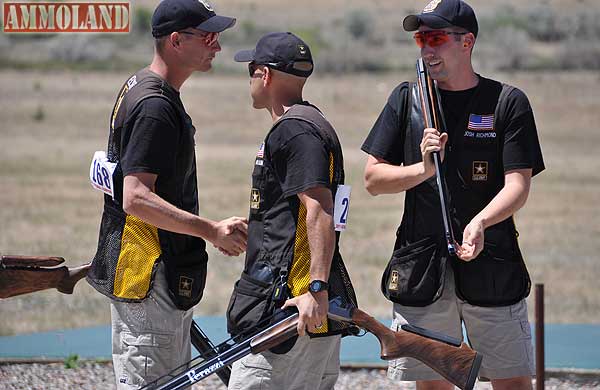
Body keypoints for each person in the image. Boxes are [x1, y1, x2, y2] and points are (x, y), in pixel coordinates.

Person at [361, 1, 545, 389]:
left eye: (437, 38)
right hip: (422, 269)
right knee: (432, 382)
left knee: (512, 381)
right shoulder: (407, 98)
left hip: (492, 262)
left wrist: (480, 222)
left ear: (467, 42)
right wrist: (423, 169)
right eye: (421, 39)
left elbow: (518, 185)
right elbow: (373, 179)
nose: (427, 49)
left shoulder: (507, 102)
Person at [86, 0, 247, 388]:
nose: (218, 47)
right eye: (209, 36)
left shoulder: (143, 87)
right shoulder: (155, 106)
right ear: (176, 40)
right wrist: (210, 230)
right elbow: (136, 197)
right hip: (149, 275)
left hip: (149, 271)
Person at [225, 32, 357, 390]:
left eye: (251, 69)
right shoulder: (310, 123)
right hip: (304, 305)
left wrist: (315, 288)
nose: (250, 78)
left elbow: (319, 208)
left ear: (265, 74)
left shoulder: (293, 131)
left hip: (290, 309)